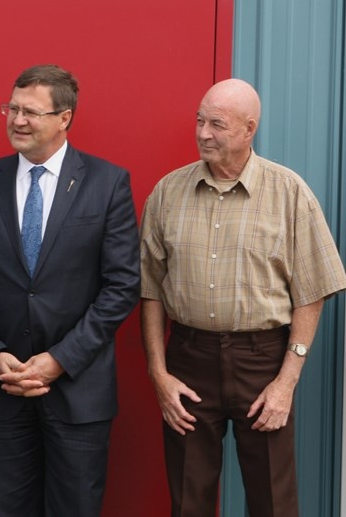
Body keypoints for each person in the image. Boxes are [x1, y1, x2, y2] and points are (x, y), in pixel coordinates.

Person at [139, 78, 346, 517]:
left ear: (249, 129)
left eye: (217, 124)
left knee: (273, 500)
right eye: (199, 120)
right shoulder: (167, 193)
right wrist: (159, 374)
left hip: (263, 362)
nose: (203, 133)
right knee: (188, 500)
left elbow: (312, 292)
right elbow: (151, 291)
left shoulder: (288, 193)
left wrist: (286, 383)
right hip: (189, 360)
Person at [0, 64, 141, 516]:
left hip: (78, 393)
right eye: (11, 108)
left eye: (31, 111)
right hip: (1, 388)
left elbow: (122, 285)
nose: (17, 120)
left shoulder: (107, 183)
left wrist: (60, 360)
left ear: (64, 118)